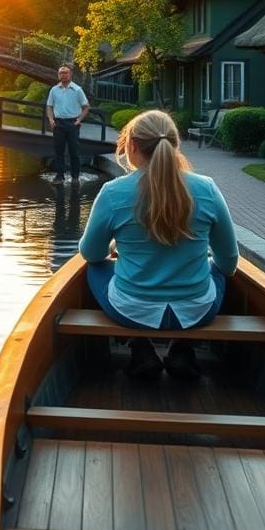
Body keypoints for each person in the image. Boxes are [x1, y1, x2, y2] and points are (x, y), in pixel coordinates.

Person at [78, 110, 238, 379]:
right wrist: (208, 264)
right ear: (175, 146)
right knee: (218, 270)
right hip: (197, 311)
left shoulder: (113, 193)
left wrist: (115, 247)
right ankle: (182, 348)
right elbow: (229, 261)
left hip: (131, 311)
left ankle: (140, 348)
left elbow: (91, 253)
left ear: (132, 146)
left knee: (94, 268)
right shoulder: (207, 189)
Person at [45, 65, 89, 184]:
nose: (63, 75)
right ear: (58, 75)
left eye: (66, 73)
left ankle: (75, 177)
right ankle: (60, 176)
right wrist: (50, 119)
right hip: (58, 123)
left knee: (74, 151)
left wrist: (79, 119)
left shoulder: (77, 90)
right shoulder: (54, 90)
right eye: (61, 73)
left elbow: (86, 106)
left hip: (72, 123)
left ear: (70, 75)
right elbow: (49, 106)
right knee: (58, 151)